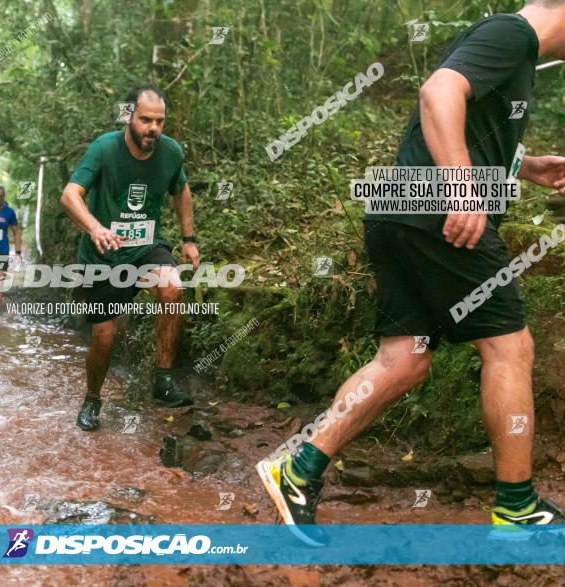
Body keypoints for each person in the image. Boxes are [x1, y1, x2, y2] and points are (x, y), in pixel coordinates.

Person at [257, 0, 565, 545]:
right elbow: (437, 93)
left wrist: (526, 166)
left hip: (398, 204)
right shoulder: (512, 35)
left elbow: (461, 121)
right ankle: (517, 508)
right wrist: (463, 186)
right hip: (435, 213)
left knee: (403, 359)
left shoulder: (511, 51)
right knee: (509, 348)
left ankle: (296, 470)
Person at [60, 84, 200, 431]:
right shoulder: (104, 149)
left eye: (160, 121)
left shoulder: (170, 153)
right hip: (102, 257)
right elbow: (70, 194)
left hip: (146, 248)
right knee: (104, 339)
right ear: (129, 117)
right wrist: (95, 228)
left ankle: (163, 380)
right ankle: (93, 398)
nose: (153, 128)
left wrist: (188, 239)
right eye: (145, 120)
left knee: (172, 288)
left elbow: (180, 190)